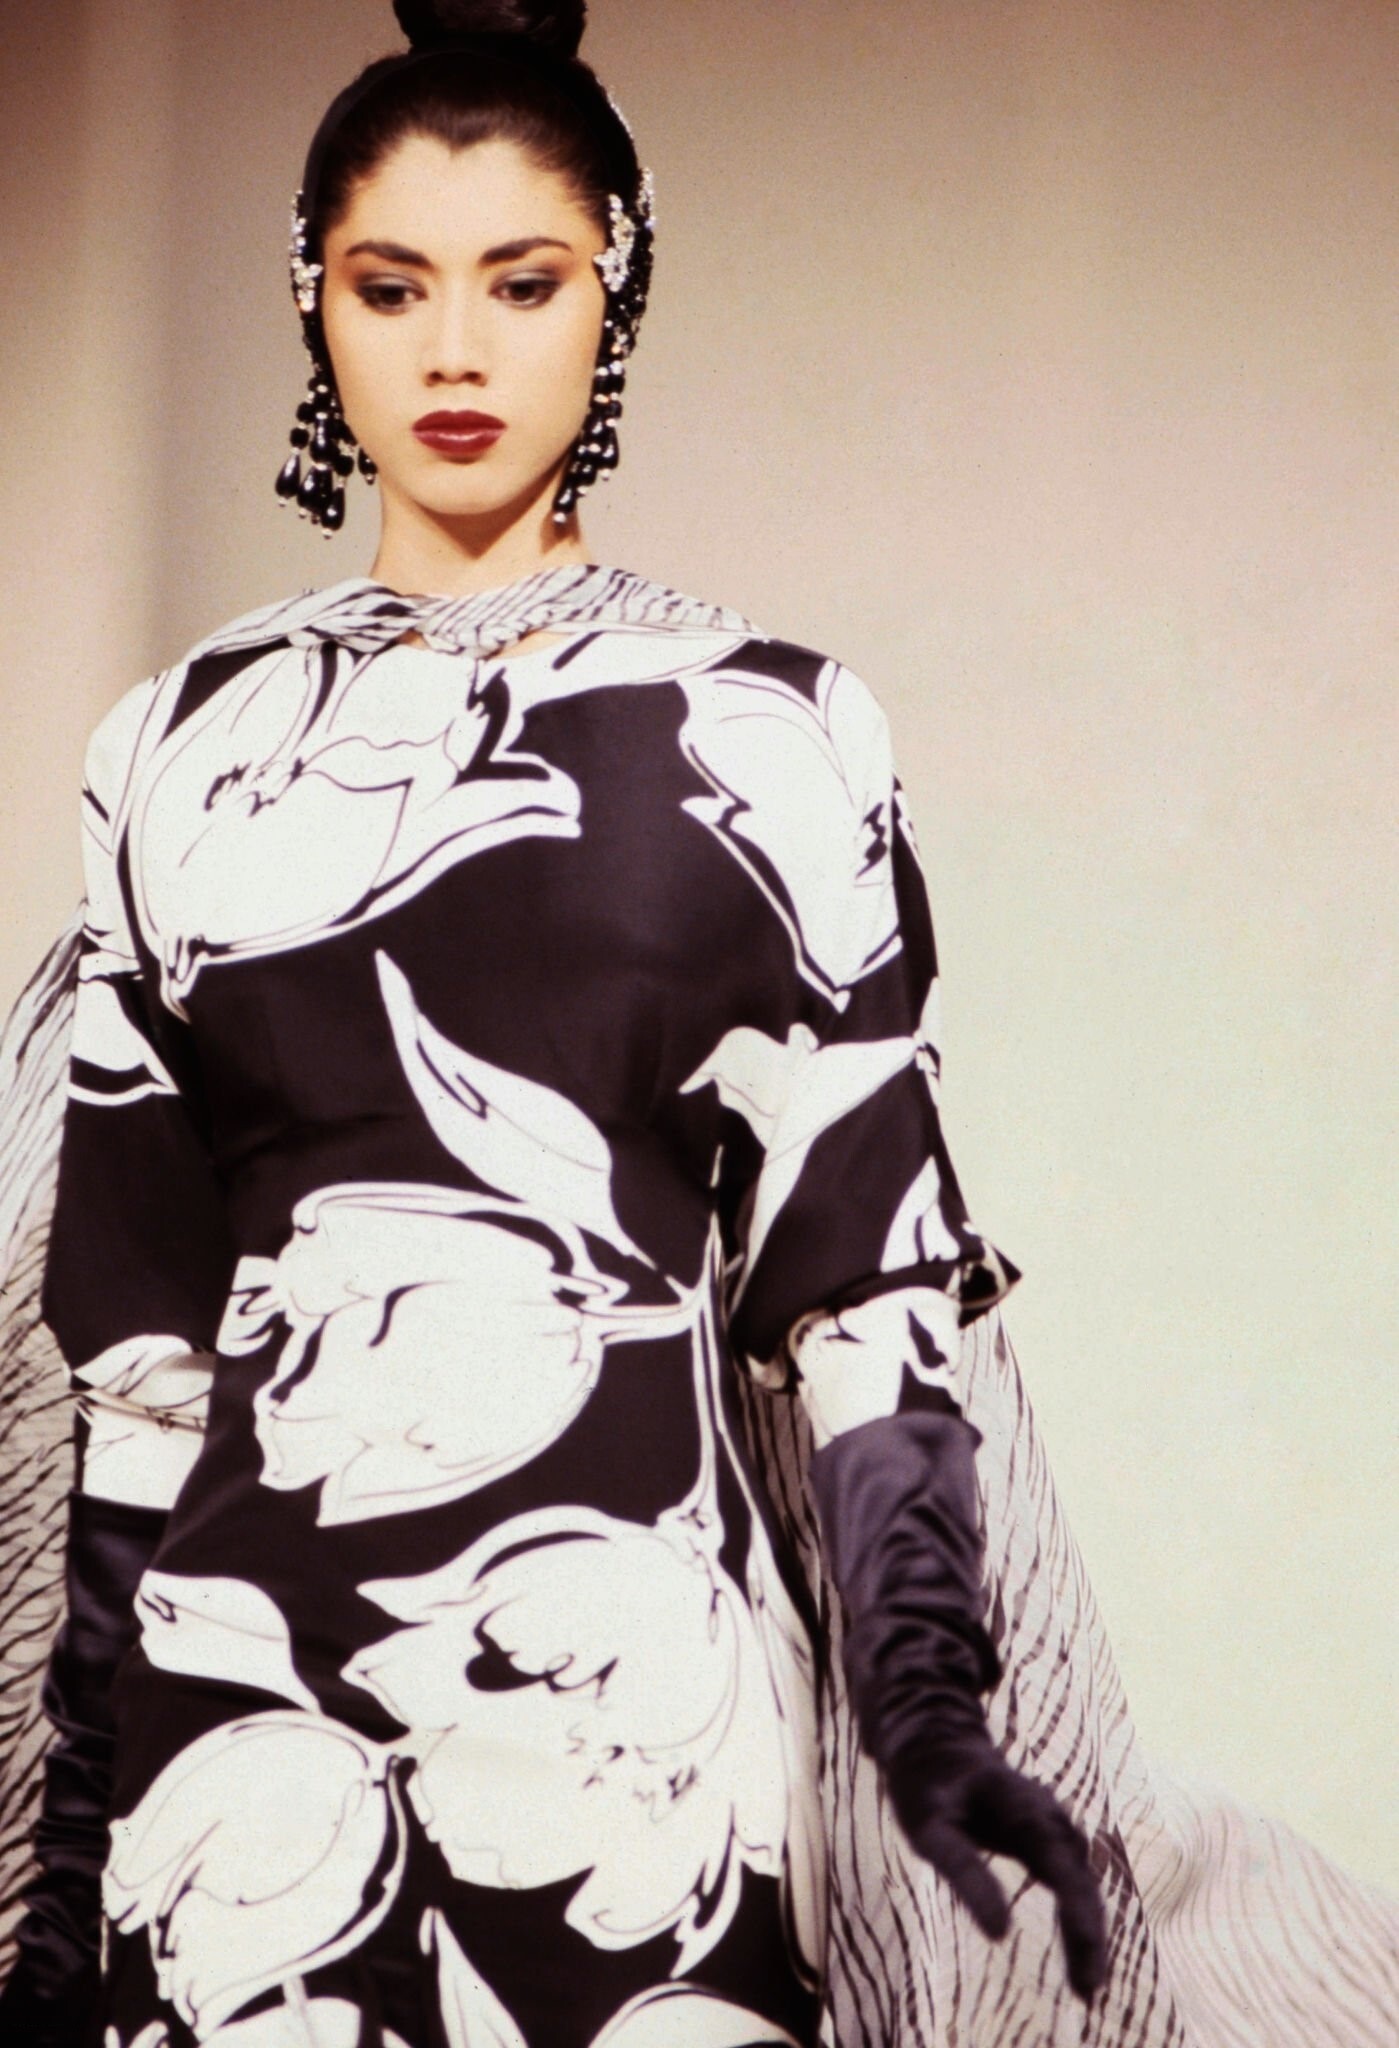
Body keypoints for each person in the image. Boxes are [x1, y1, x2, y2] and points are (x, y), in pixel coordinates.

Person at [0, 5, 1392, 2047]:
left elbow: (863, 1296)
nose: (454, 352)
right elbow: (138, 1366)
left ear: (615, 291)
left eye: (521, 282)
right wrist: (61, 1869)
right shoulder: (175, 750)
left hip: (646, 1721)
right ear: (313, 303)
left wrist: (928, 1716)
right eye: (391, 286)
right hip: (244, 1720)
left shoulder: (773, 733)